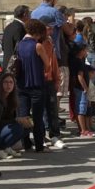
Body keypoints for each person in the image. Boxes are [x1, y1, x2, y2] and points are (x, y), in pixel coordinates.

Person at [16, 18, 50, 152]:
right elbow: (47, 64)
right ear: (38, 32)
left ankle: (25, 143)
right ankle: (39, 145)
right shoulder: (38, 46)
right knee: (37, 116)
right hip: (36, 84)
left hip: (21, 85)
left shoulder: (19, 45)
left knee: (24, 116)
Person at [37, 14, 64, 148]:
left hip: (50, 79)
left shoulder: (49, 41)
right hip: (40, 80)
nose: (52, 31)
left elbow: (53, 62)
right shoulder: (37, 43)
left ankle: (54, 135)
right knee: (40, 111)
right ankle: (42, 136)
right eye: (49, 28)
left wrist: (57, 77)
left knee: (52, 109)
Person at [0, 73, 25, 158]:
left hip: (5, 128)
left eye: (11, 82)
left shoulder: (12, 99)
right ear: (1, 84)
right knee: (17, 127)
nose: (8, 85)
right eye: (5, 82)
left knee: (26, 126)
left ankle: (6, 147)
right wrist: (15, 120)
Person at [70, 42, 95, 136]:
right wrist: (85, 88)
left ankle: (84, 128)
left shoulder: (78, 60)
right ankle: (83, 130)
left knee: (83, 108)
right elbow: (80, 76)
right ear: (81, 51)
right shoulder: (79, 62)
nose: (87, 52)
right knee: (81, 109)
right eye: (85, 50)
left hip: (78, 88)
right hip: (81, 88)